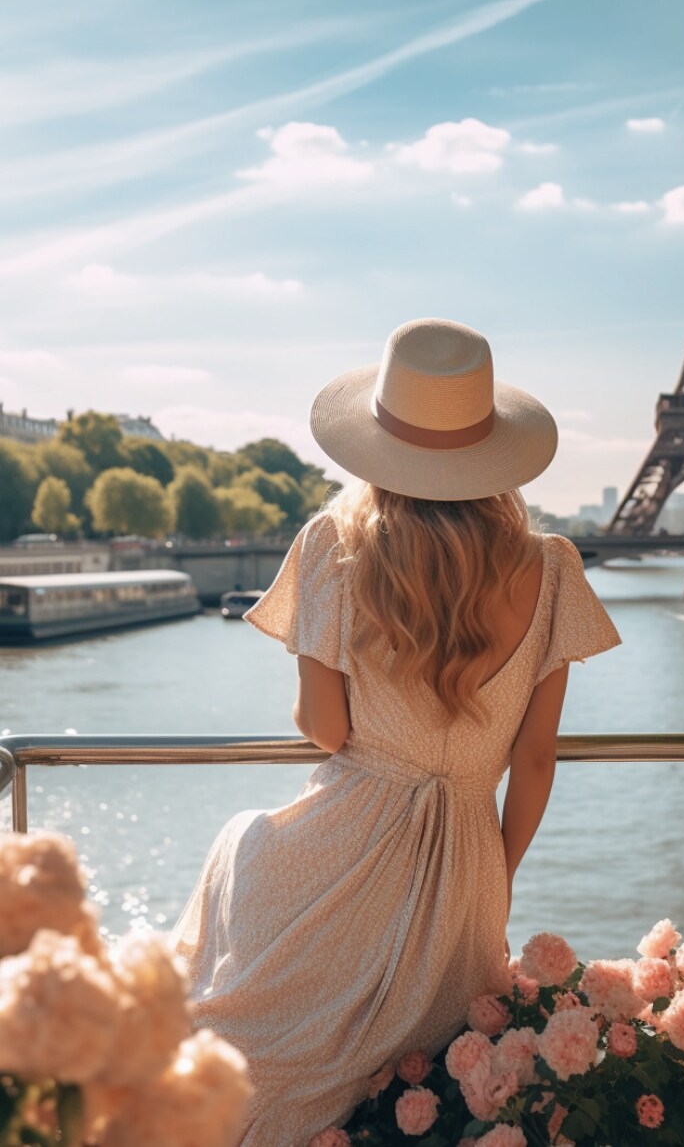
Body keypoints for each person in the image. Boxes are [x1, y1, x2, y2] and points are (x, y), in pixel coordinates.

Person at [171, 317, 621, 1147]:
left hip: (341, 849)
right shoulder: (552, 566)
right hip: (469, 868)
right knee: (421, 1096)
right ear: (492, 448)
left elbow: (325, 728)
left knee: (240, 878)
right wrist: (493, 870)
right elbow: (535, 756)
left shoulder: (332, 546)